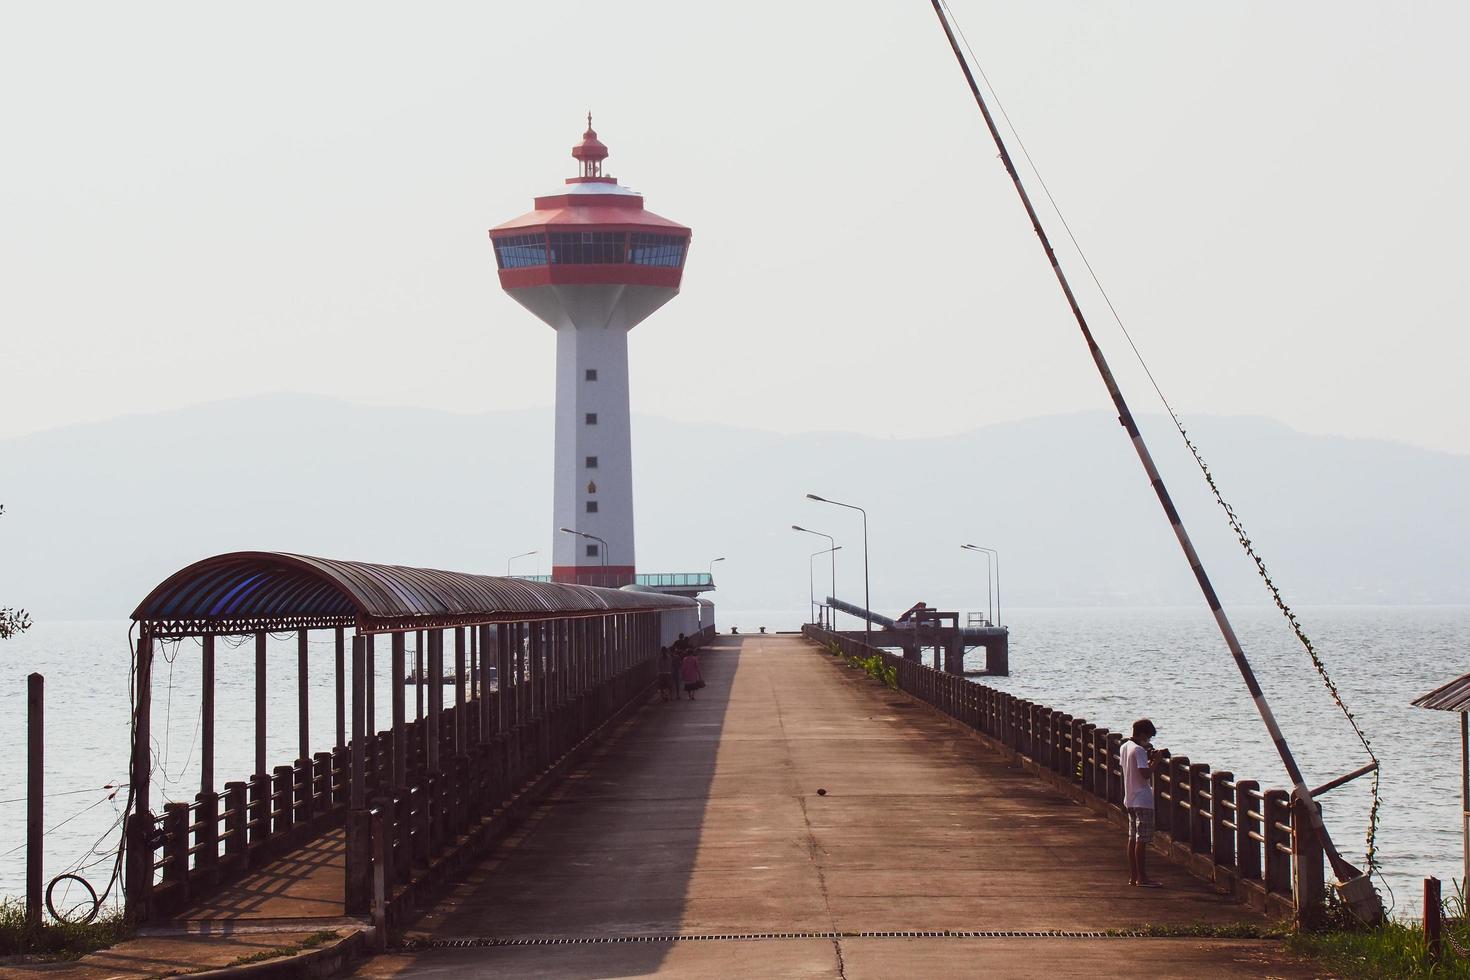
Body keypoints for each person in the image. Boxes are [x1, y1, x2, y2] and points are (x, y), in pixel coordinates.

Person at [1120, 717, 1166, 888]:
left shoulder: (1125, 747)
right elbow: (1145, 774)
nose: (1149, 740)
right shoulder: (1138, 750)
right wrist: (1157, 760)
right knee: (1142, 839)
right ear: (1143, 734)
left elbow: (1132, 768)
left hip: (1129, 798)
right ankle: (1143, 878)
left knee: (1132, 838)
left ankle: (1133, 877)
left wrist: (1149, 759)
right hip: (1142, 798)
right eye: (1149, 737)